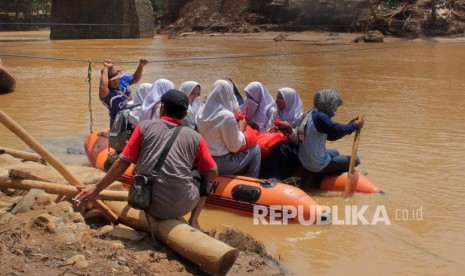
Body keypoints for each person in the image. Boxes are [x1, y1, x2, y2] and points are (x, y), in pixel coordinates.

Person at [74, 89, 218, 231]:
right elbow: (212, 172)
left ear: (162, 108)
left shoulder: (144, 127)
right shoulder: (196, 138)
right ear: (186, 114)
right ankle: (193, 221)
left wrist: (96, 188)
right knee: (203, 176)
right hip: (181, 206)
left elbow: (122, 163)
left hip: (146, 201)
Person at [293, 88, 364, 188]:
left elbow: (332, 136)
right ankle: (321, 175)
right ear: (328, 103)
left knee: (335, 152)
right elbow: (337, 130)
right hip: (315, 165)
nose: (334, 109)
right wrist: (355, 125)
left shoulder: (310, 114)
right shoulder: (320, 117)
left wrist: (351, 124)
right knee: (356, 160)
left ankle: (321, 171)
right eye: (334, 105)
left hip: (305, 161)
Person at [196, 79, 261, 177]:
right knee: (256, 149)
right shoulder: (227, 116)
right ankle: (253, 181)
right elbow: (235, 147)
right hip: (222, 163)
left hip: (203, 159)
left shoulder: (200, 111)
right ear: (228, 94)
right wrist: (242, 128)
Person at [259, 87, 304, 179]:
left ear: (289, 100)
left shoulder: (299, 117)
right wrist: (272, 130)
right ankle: (263, 175)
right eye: (277, 97)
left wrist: (289, 128)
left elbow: (299, 141)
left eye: (280, 98)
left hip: (294, 149)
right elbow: (266, 131)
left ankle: (278, 177)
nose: (277, 100)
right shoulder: (275, 113)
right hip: (277, 143)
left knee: (279, 148)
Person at [99, 59, 148, 126]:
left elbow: (135, 78)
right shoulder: (107, 94)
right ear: (107, 82)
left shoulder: (123, 79)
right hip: (119, 123)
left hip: (132, 116)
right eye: (112, 80)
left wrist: (141, 65)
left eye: (117, 78)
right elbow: (102, 87)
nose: (116, 81)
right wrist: (106, 67)